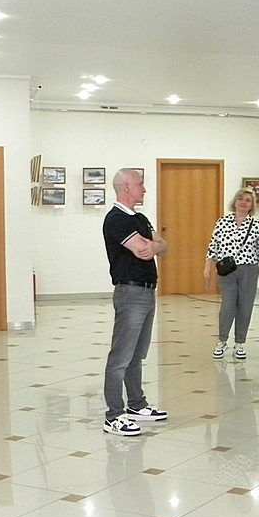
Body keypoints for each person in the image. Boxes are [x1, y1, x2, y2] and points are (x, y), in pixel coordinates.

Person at [101, 168, 168, 436]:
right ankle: (113, 415)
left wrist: (156, 245)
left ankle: (136, 404)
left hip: (147, 291)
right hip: (130, 293)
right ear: (126, 186)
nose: (144, 188)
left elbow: (162, 246)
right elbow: (143, 250)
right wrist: (154, 245)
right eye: (140, 184)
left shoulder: (140, 217)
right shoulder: (116, 219)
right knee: (121, 356)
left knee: (137, 354)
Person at [204, 188, 259, 360]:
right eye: (240, 198)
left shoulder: (256, 224)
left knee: (245, 306)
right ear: (235, 201)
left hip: (248, 269)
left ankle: (240, 342)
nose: (243, 202)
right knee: (227, 306)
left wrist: (258, 265)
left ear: (252, 205)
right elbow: (213, 245)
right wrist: (207, 266)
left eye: (248, 200)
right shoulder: (222, 222)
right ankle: (222, 340)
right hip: (227, 271)